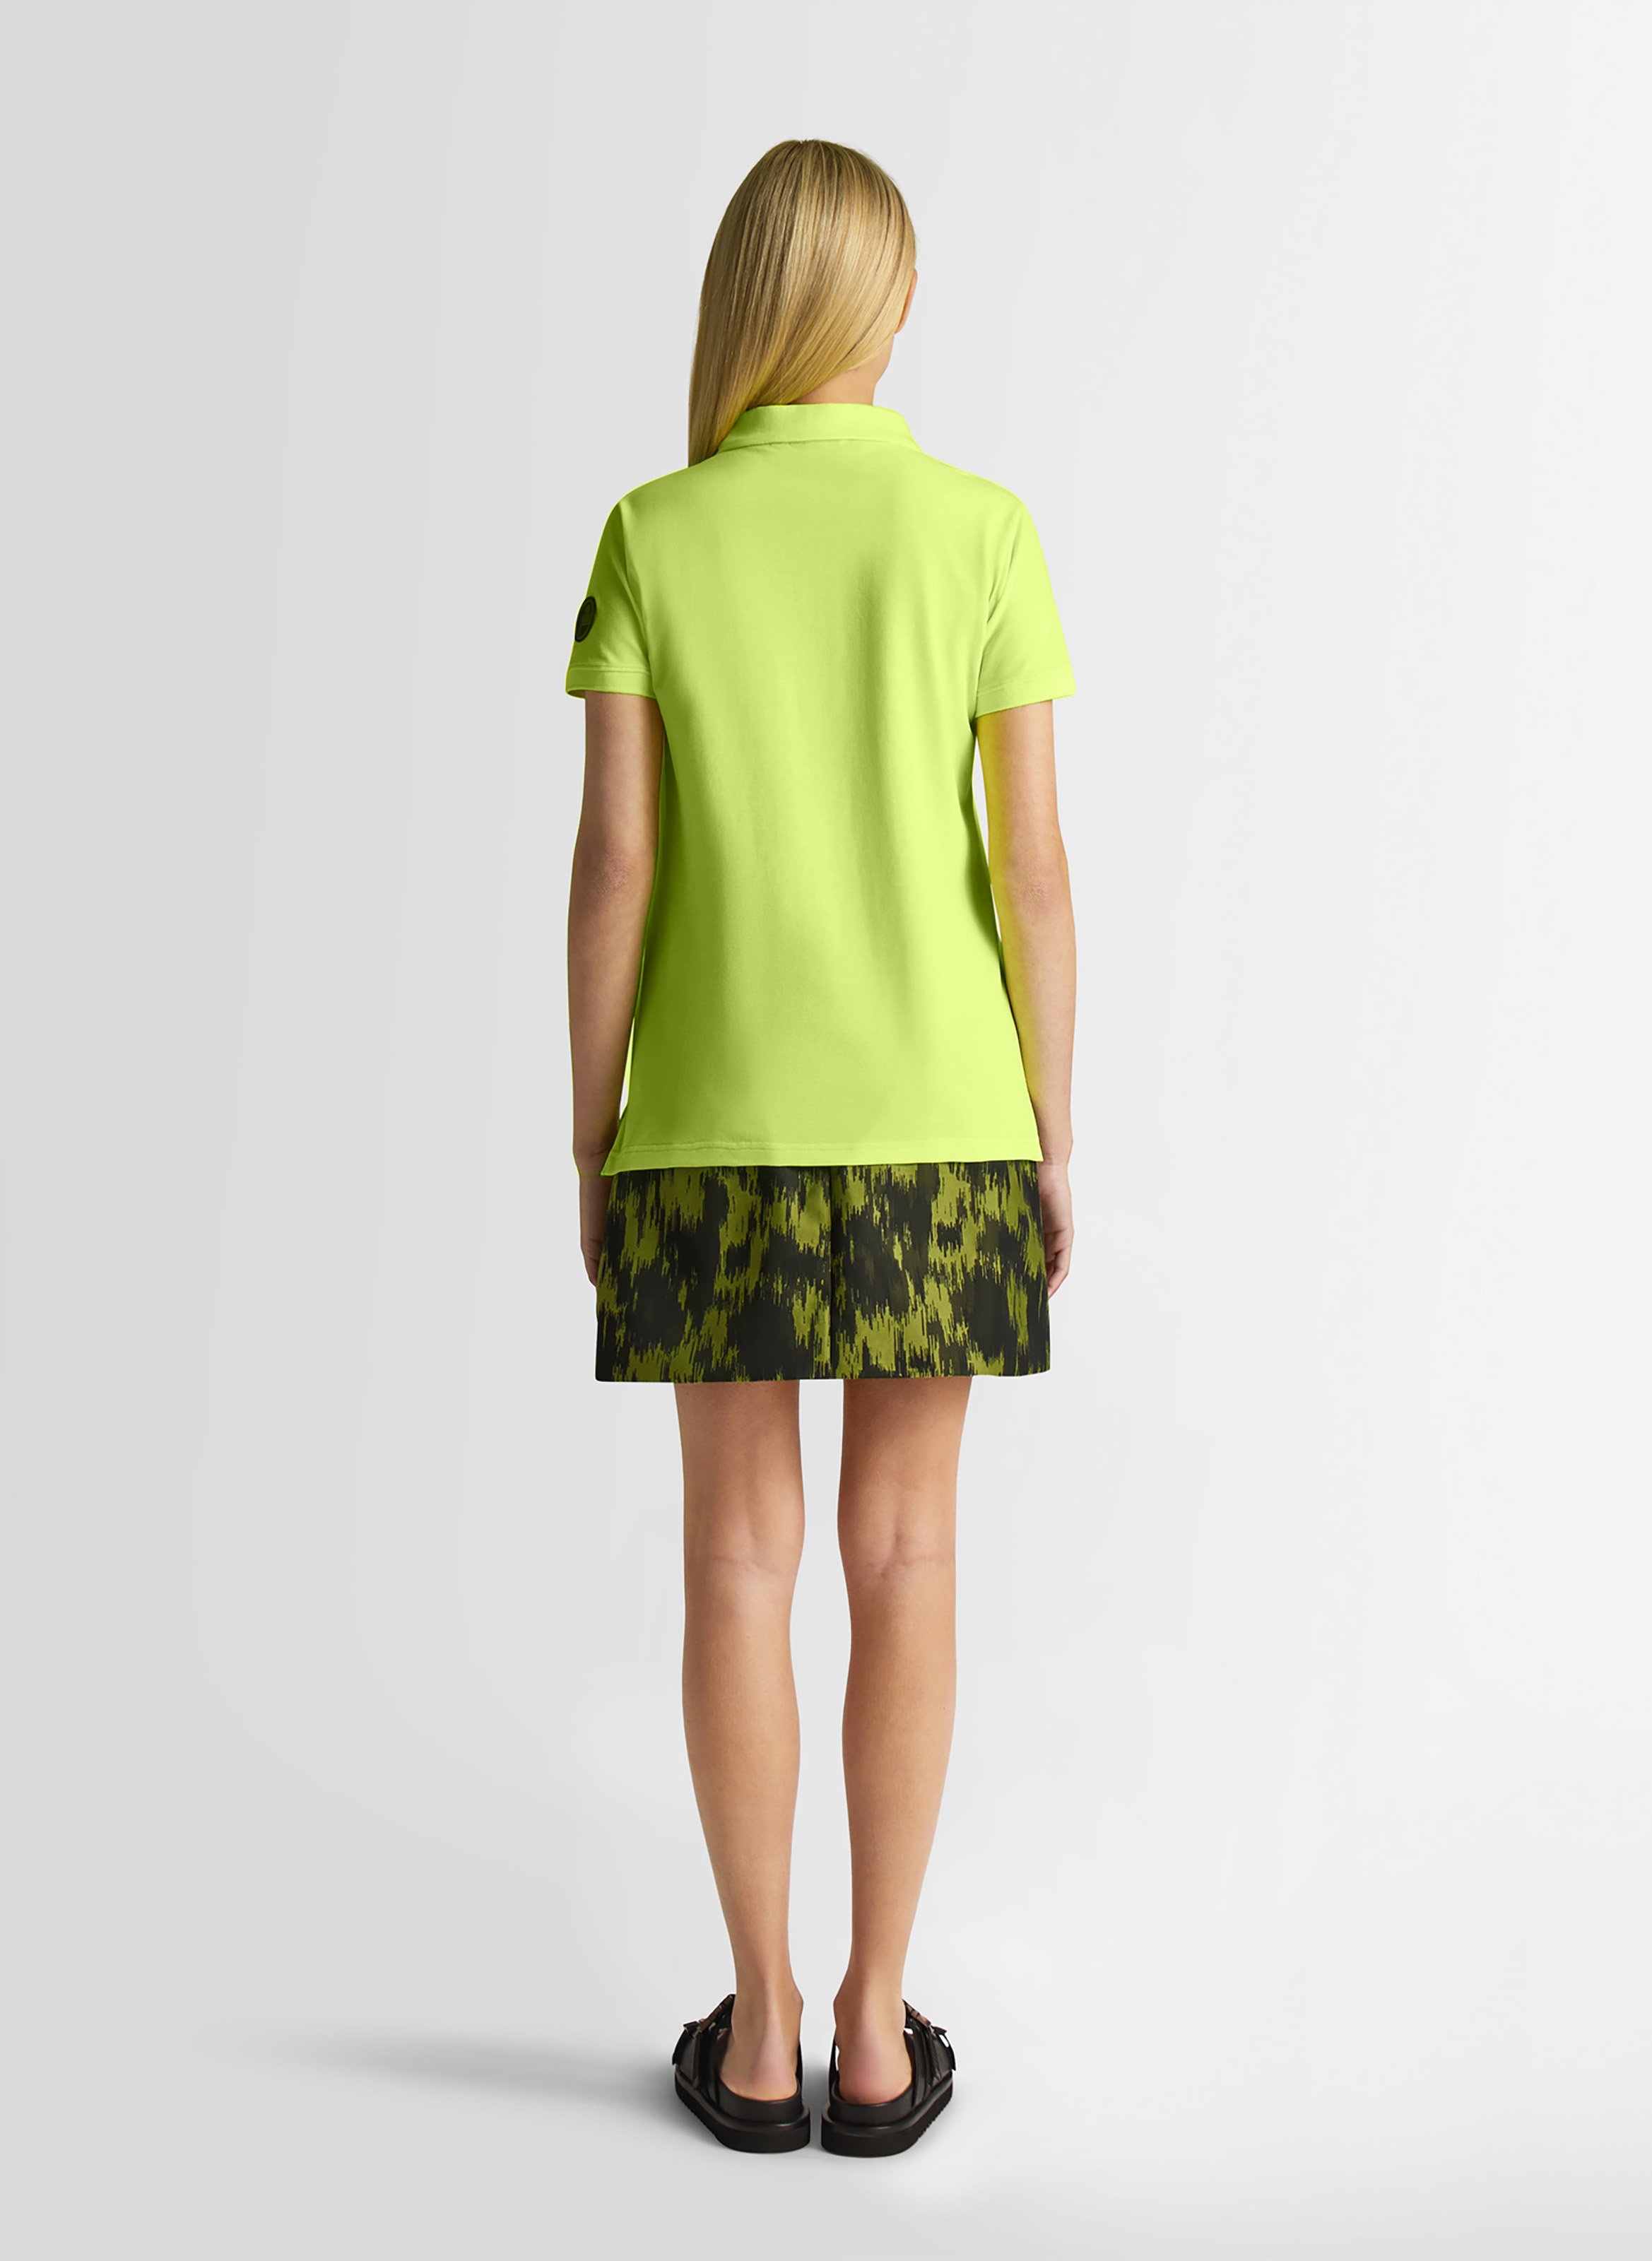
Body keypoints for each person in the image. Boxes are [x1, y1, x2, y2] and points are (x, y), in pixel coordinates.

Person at [565, 138, 1076, 2157]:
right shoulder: (982, 531)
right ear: (890, 302)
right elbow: (1034, 872)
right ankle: (877, 2029)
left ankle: (759, 2030)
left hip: (705, 1135)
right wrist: (1051, 1127)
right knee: (908, 1551)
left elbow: (615, 865)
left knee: (735, 1557)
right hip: (945, 1130)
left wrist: (590, 1131)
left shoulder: (652, 532)